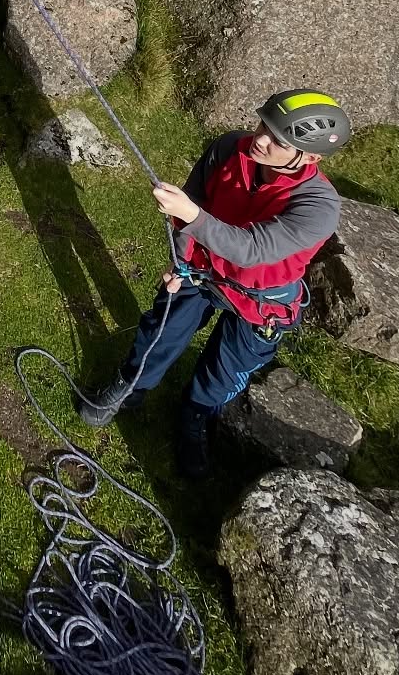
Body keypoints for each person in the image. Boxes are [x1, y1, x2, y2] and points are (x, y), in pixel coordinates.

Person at [77, 91, 350, 477]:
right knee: (163, 326)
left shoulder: (318, 206)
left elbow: (253, 249)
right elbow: (195, 198)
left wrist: (190, 216)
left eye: (278, 141)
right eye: (263, 126)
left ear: (311, 157)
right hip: (203, 268)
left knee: (229, 366)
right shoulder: (227, 149)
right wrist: (180, 261)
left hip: (261, 296)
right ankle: (131, 384)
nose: (260, 140)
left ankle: (196, 416)